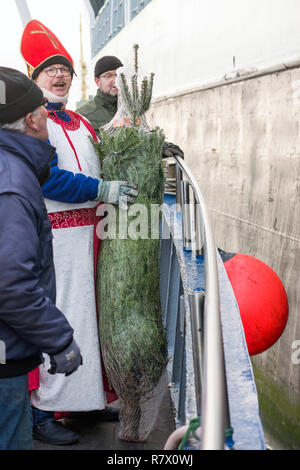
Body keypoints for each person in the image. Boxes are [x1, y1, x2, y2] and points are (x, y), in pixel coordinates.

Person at [20, 20, 138, 446]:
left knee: (89, 319)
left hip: (90, 236)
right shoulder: (33, 121)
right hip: (55, 238)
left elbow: (101, 157)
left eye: (65, 68)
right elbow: (48, 179)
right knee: (61, 317)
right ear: (34, 77)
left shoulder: (81, 123)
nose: (60, 75)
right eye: (50, 69)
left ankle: (84, 397)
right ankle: (43, 409)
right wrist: (100, 189)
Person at [0, 67, 82, 450]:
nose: (48, 114)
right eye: (42, 109)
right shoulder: (13, 183)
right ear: (32, 119)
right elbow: (11, 284)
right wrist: (60, 339)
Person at [76, 56, 185, 159]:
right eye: (108, 75)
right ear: (97, 81)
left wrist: (161, 145)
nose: (115, 80)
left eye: (118, 75)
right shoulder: (84, 114)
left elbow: (142, 135)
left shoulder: (131, 110)